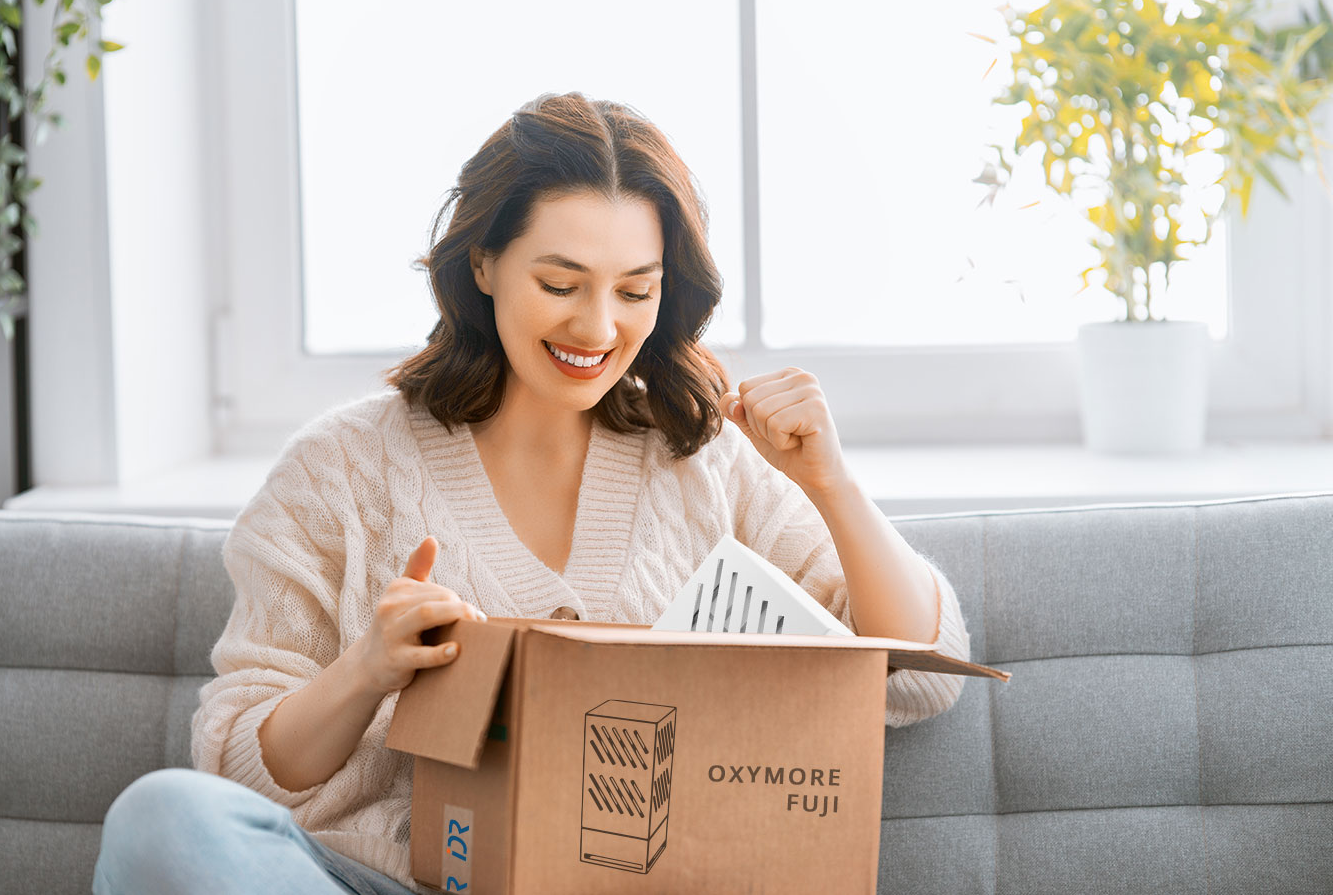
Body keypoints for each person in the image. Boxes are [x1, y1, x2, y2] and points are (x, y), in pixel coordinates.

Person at [91, 91, 971, 895]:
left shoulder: (706, 463)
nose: (597, 327)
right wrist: (368, 670)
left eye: (637, 292)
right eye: (559, 285)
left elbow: (916, 682)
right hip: (377, 881)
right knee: (162, 816)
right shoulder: (340, 470)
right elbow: (237, 771)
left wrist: (831, 484)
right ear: (482, 263)